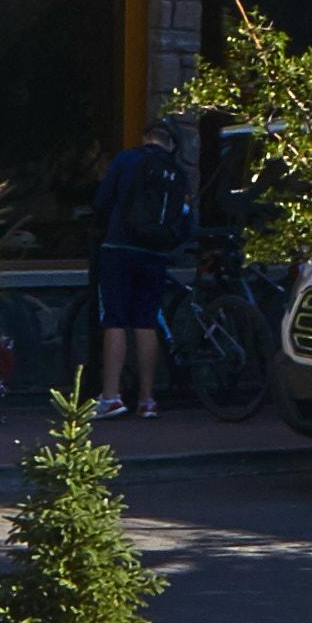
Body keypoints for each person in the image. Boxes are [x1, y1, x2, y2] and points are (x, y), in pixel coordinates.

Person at [92, 112, 196, 418]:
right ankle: (147, 399)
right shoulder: (178, 174)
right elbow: (187, 223)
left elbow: (101, 202)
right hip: (155, 253)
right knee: (146, 320)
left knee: (114, 319)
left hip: (119, 248)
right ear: (172, 144)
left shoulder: (127, 160)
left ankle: (111, 396)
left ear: (145, 136)